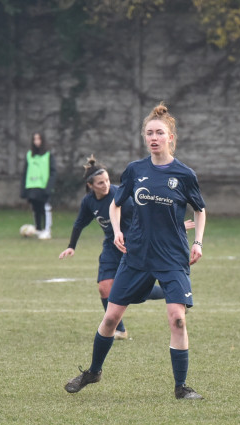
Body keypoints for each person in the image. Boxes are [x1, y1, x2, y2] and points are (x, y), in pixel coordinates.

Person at [65, 102, 206, 400]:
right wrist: (117, 231)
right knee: (111, 318)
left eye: (159, 133)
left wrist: (198, 242)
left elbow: (200, 210)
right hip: (137, 256)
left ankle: (181, 387)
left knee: (177, 319)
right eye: (149, 133)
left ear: (170, 137)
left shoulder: (184, 174)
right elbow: (115, 204)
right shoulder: (135, 170)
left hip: (172, 257)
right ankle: (93, 372)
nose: (153, 138)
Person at [58, 155, 195, 340]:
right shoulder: (89, 202)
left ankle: (173, 294)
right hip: (111, 246)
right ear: (90, 185)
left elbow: (148, 213)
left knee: (133, 292)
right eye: (100, 183)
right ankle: (119, 329)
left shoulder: (119, 196)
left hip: (134, 246)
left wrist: (174, 227)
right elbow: (79, 223)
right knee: (104, 288)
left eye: (106, 180)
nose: (105, 185)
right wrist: (71, 246)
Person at [20, 132, 56, 240]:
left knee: (44, 208)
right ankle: (39, 229)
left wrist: (49, 187)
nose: (37, 141)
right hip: (32, 186)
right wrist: (24, 189)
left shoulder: (48, 155)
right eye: (35, 139)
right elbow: (25, 172)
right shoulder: (29, 155)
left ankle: (47, 230)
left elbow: (53, 172)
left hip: (43, 186)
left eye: (39, 139)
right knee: (36, 209)